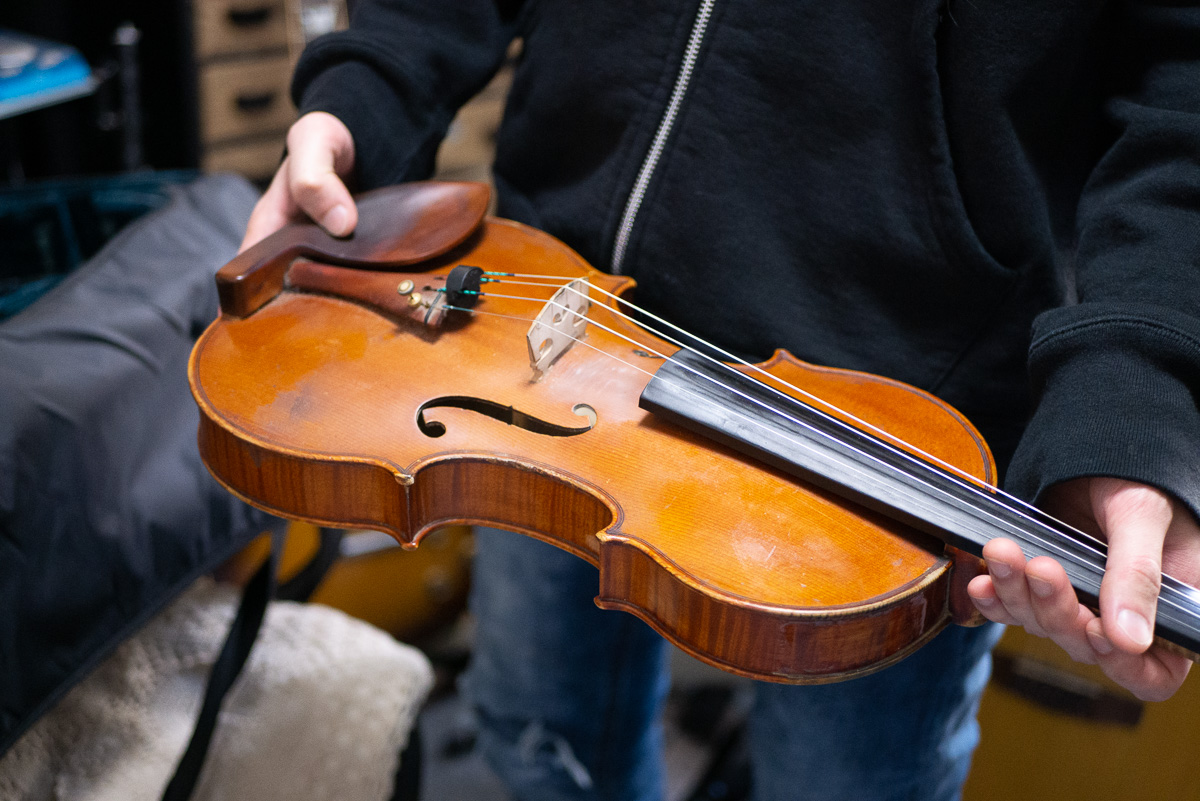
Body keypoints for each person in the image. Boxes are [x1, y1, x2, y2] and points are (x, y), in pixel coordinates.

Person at [241, 3, 1200, 798]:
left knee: (849, 784)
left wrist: (1135, 394)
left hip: (889, 396)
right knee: (541, 735)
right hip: (546, 341)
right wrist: (367, 92)